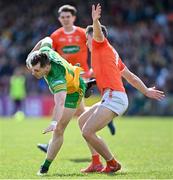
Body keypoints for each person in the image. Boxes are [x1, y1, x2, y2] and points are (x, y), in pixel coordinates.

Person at [78, 4, 165, 173]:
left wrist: (95, 20)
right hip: (112, 97)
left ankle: (112, 163)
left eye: (87, 38)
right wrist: (146, 90)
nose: (86, 41)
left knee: (88, 131)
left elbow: (97, 34)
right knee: (82, 121)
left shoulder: (99, 45)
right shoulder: (109, 53)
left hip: (114, 97)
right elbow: (130, 76)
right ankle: (96, 162)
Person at [37, 5, 115, 154]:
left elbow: (97, 46)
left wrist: (94, 68)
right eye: (63, 17)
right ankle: (104, 116)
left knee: (68, 112)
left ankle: (54, 145)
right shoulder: (55, 36)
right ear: (59, 19)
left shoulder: (82, 33)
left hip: (81, 76)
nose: (65, 19)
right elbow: (49, 56)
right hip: (66, 77)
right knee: (80, 112)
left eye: (68, 16)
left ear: (74, 18)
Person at [26, 36, 86, 175]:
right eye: (32, 70)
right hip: (70, 77)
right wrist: (31, 54)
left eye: (36, 70)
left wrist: (53, 122)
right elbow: (46, 39)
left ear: (47, 67)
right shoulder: (44, 52)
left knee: (59, 129)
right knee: (80, 115)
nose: (33, 73)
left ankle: (45, 167)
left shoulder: (57, 78)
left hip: (73, 92)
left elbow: (59, 103)